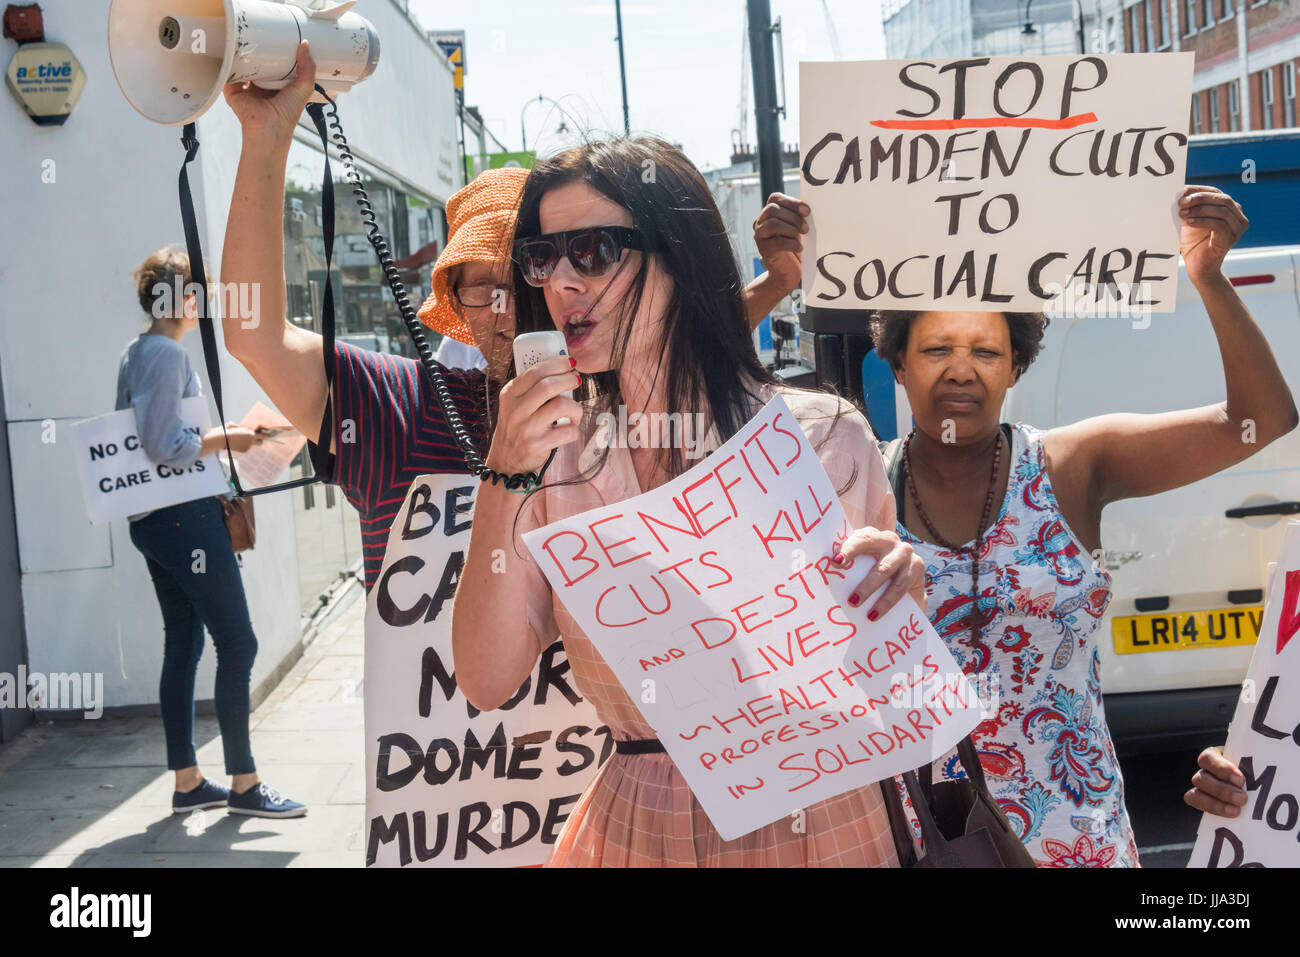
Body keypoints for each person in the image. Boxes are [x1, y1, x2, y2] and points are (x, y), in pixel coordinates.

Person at [451, 136, 927, 867]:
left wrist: (901, 588)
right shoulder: (553, 459)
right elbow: (487, 677)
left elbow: (884, 681)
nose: (563, 285)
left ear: (683, 256)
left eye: (597, 250)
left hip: (815, 818)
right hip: (640, 824)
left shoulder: (821, 438)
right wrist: (502, 472)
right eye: (545, 257)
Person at [219, 41, 809, 591]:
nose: (507, 309)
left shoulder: (627, 418)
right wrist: (265, 141)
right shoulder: (398, 409)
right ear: (454, 304)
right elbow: (254, 336)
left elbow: (675, 330)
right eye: (479, 288)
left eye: (523, 277)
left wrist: (775, 284)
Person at [869, 184, 1297, 867]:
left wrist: (1207, 279)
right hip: (928, 846)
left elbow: (1261, 420)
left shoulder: (1074, 465)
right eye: (935, 347)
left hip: (1080, 843)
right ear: (895, 360)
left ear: (1016, 364)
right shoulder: (858, 488)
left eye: (985, 349)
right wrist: (774, 286)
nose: (960, 369)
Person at [120, 247, 306, 818]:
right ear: (182, 298)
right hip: (183, 520)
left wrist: (226, 440)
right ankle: (246, 786)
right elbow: (164, 446)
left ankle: (188, 782)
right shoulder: (163, 355)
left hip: (161, 520)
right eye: (197, 292)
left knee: (185, 643)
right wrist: (230, 440)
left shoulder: (141, 350)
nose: (203, 302)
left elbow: (166, 437)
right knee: (238, 642)